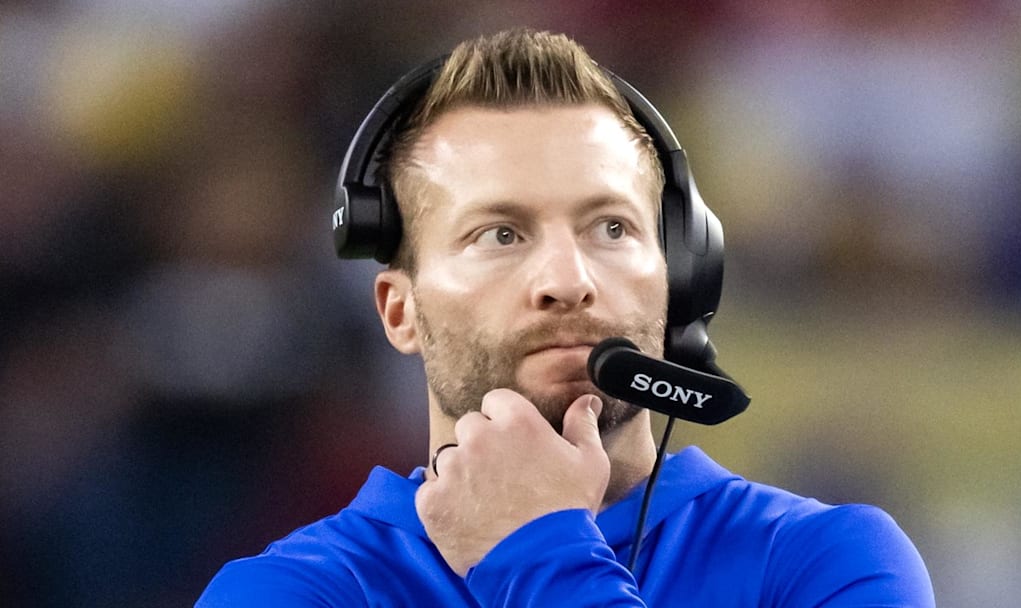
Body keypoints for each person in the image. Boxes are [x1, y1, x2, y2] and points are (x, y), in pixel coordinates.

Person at [196, 29, 934, 607]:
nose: (567, 282)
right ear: (400, 311)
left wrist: (536, 549)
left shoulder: (827, 562)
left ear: (680, 281)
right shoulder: (289, 593)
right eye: (500, 235)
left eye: (610, 228)